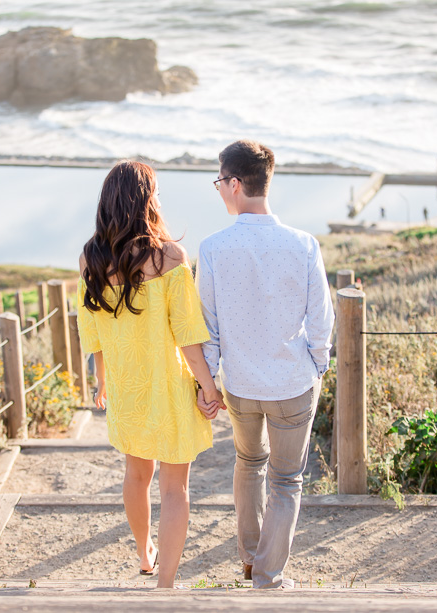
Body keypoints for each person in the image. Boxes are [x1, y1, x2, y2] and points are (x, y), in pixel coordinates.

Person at [195, 140, 335, 589]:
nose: (219, 190)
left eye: (219, 181)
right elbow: (322, 321)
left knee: (248, 464)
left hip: (240, 386)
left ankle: (252, 563)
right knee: (287, 480)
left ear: (235, 185)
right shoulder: (303, 244)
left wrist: (208, 385)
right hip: (293, 384)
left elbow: (208, 328)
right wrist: (316, 366)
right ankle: (269, 578)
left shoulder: (213, 248)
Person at [76, 161, 222, 589]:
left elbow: (92, 329)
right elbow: (189, 335)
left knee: (136, 476)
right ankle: (166, 586)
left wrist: (102, 380)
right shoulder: (170, 256)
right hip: (171, 387)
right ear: (148, 199)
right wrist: (209, 389)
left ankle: (144, 554)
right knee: (174, 489)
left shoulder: (91, 258)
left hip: (126, 386)